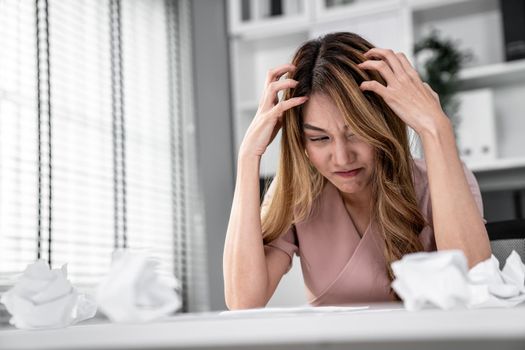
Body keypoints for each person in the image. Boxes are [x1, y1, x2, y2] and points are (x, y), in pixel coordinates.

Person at [223, 32, 491, 309]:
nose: (341, 158)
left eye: (357, 133)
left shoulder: (437, 181)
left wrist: (436, 128)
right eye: (319, 138)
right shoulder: (296, 192)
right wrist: (247, 157)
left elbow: (477, 282)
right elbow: (243, 301)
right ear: (301, 141)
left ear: (382, 126)